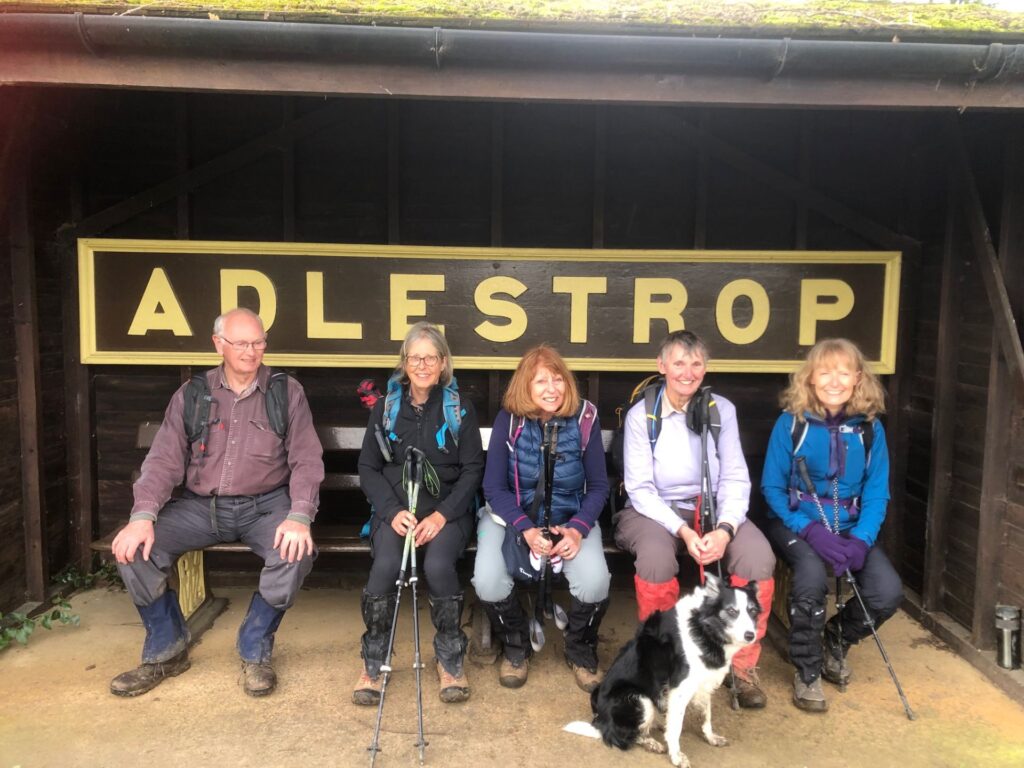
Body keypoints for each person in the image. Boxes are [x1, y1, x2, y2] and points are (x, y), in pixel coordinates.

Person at [110, 307, 324, 698]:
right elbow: (162, 461)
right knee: (134, 551)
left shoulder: (285, 392)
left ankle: (254, 649)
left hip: (266, 506)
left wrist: (299, 515)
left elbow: (307, 460)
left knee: (295, 553)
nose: (251, 351)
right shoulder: (192, 394)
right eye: (241, 343)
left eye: (258, 342)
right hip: (199, 508)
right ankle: (166, 650)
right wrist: (142, 515)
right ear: (218, 344)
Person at [616, 330, 775, 708]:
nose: (687, 372)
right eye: (678, 363)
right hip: (656, 510)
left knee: (757, 557)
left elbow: (736, 477)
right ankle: (664, 658)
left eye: (696, 363)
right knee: (656, 558)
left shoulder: (722, 410)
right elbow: (639, 489)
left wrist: (725, 529)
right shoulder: (644, 415)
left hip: (715, 508)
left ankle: (741, 665)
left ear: (705, 367)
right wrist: (684, 530)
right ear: (662, 366)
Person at [762, 338, 903, 713]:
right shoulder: (791, 424)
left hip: (851, 526)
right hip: (796, 523)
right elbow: (772, 488)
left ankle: (835, 639)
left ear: (858, 378)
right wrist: (808, 531)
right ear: (810, 378)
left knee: (887, 592)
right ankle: (807, 670)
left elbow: (877, 493)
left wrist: (861, 541)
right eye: (825, 372)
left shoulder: (870, 430)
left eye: (843, 372)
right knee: (810, 578)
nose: (834, 381)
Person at [354, 321, 484, 705]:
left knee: (439, 566)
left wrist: (442, 515)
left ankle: (450, 659)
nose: (423, 365)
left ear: (443, 362)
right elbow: (368, 467)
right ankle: (373, 662)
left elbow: (473, 469)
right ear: (405, 362)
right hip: (397, 513)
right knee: (385, 565)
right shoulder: (387, 408)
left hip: (446, 514)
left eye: (431, 357)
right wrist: (392, 511)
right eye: (416, 358)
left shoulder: (460, 408)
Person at [474, 344, 611, 692]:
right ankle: (516, 646)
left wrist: (578, 529)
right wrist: (526, 528)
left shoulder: (585, 419)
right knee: (487, 580)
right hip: (511, 518)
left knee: (595, 581)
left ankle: (580, 649)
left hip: (571, 520)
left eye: (557, 379)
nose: (551, 388)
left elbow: (598, 487)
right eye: (540, 381)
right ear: (525, 387)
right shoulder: (510, 419)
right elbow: (493, 487)